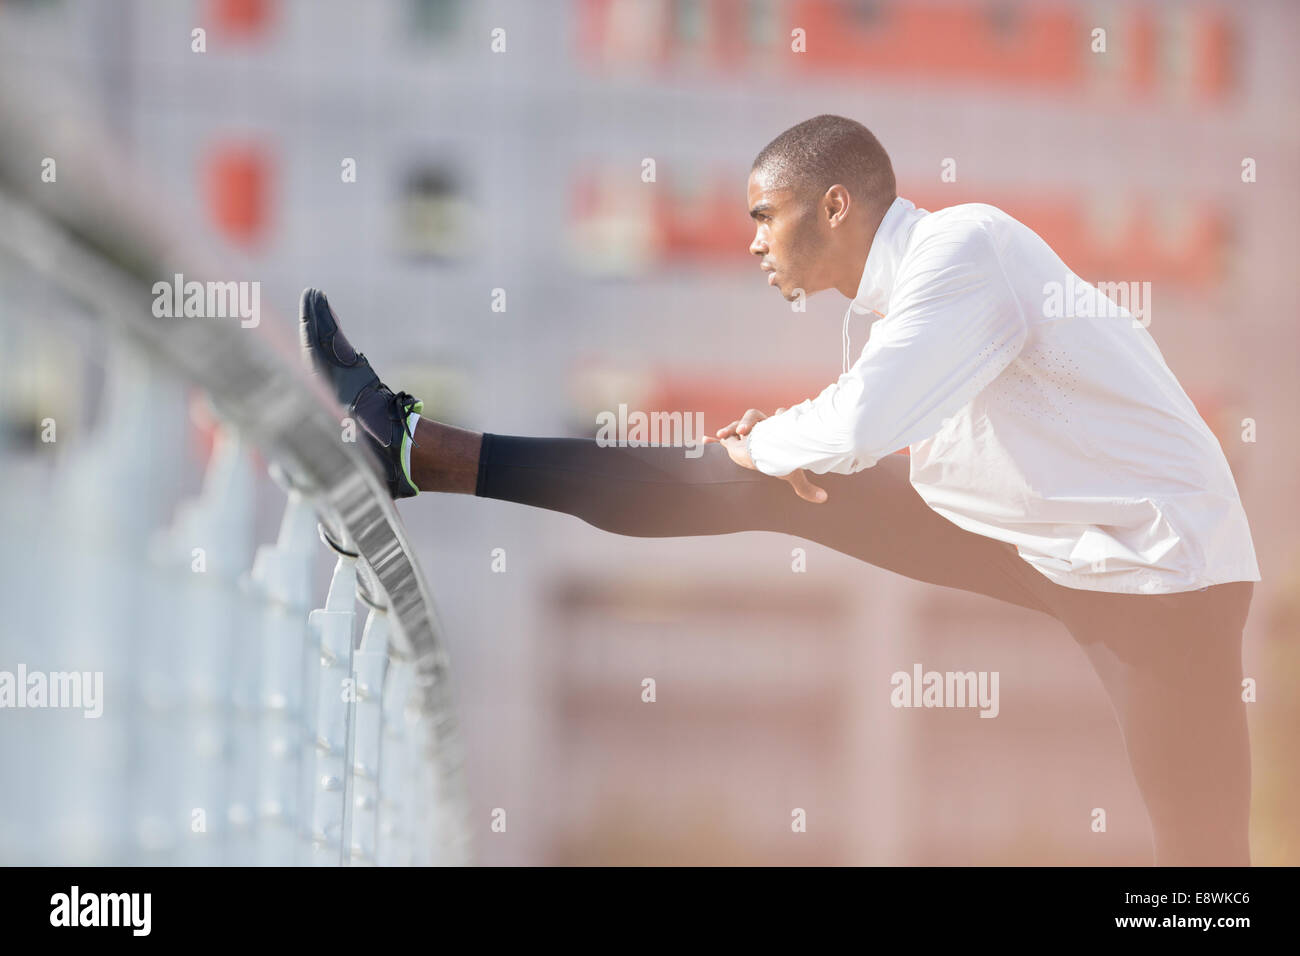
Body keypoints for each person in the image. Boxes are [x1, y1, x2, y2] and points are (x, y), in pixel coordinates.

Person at [299, 114, 1261, 866]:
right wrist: (774, 452)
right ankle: (419, 451)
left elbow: (854, 427)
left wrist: (780, 445)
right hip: (1043, 539)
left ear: (834, 206)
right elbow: (851, 428)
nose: (753, 240)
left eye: (764, 213)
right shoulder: (887, 309)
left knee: (1203, 873)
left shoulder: (966, 252)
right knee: (740, 481)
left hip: (1162, 571)